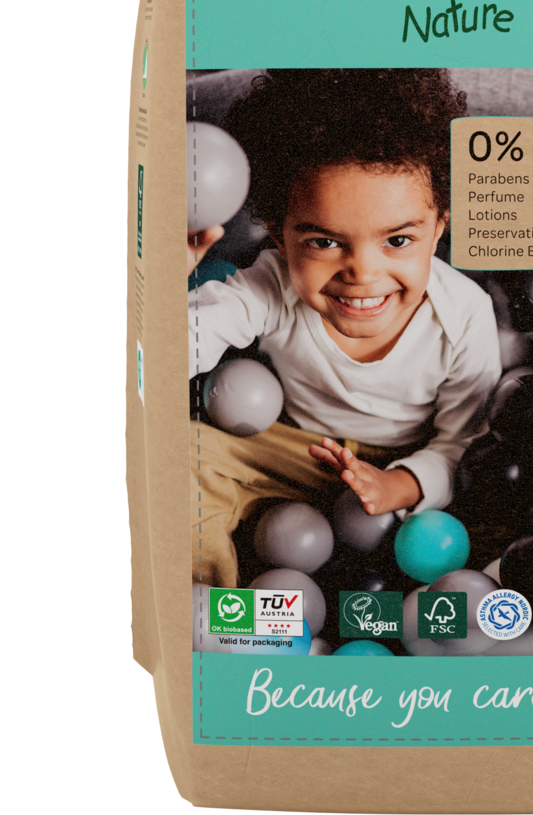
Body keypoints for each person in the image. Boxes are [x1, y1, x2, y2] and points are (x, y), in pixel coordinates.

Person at [188, 68, 501, 588]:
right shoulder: (272, 286)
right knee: (189, 455)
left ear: (438, 229)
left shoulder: (464, 314)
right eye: (325, 242)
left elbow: (465, 444)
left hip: (405, 466)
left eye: (397, 241)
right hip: (296, 449)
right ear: (280, 236)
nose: (362, 272)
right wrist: (170, 276)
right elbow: (185, 341)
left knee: (501, 506)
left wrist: (399, 485)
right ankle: (209, 615)